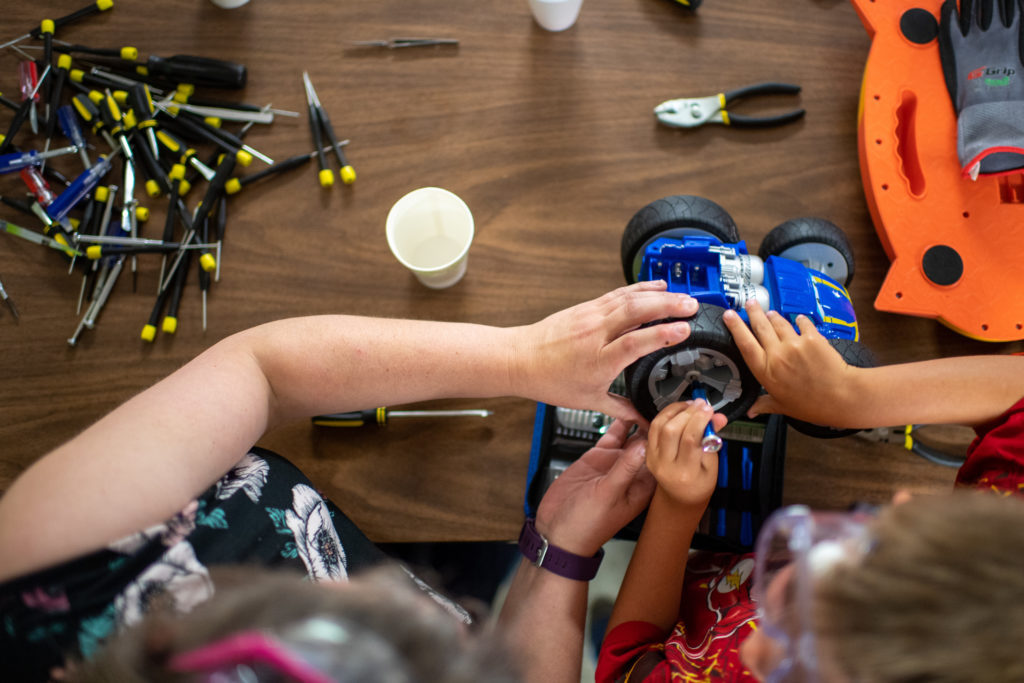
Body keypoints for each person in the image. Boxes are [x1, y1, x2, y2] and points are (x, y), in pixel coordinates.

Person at [0, 281, 699, 683]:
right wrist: (558, 561)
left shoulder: (53, 568)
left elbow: (264, 372)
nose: (445, 611)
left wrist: (524, 360)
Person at [596, 300, 1024, 683]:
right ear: (903, 511)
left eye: (794, 670)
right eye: (840, 550)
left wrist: (676, 507)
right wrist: (855, 397)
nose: (754, 651)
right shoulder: (1003, 559)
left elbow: (627, 664)